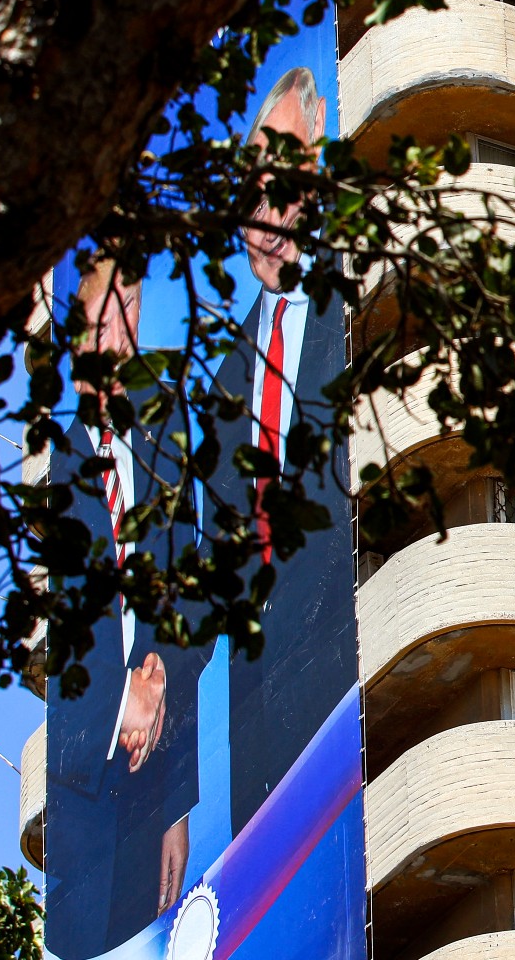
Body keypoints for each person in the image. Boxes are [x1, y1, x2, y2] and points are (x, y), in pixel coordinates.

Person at [208, 64, 357, 835]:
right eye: (252, 197)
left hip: (352, 689)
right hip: (257, 725)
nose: (270, 217)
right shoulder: (226, 381)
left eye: (287, 184)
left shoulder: (361, 297)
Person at [45, 261, 205, 957]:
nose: (119, 327)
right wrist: (120, 703)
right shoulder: (39, 457)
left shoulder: (168, 444)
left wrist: (175, 804)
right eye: (101, 308)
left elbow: (190, 613)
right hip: (71, 802)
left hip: (149, 805)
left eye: (132, 304)